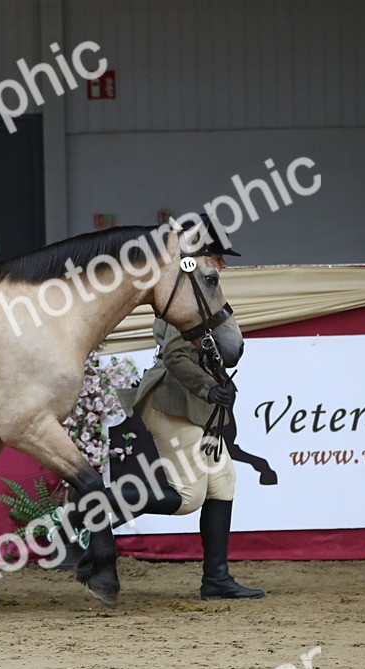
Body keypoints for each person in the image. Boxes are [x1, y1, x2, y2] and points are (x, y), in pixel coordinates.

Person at [120, 216, 265, 599]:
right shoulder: (183, 296)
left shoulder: (201, 292)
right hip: (173, 398)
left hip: (195, 404)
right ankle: (105, 504)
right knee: (188, 497)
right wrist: (206, 388)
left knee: (223, 482)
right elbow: (174, 353)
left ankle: (216, 579)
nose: (223, 263)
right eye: (218, 255)